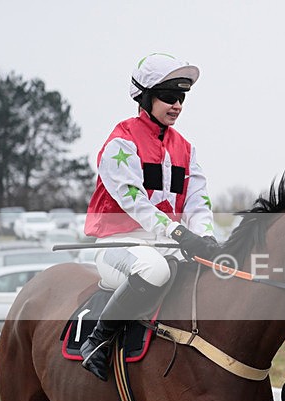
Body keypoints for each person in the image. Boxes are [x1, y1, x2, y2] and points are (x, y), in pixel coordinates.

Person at [81, 53, 222, 381]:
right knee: (154, 269)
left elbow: (198, 201)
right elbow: (137, 205)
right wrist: (179, 234)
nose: (177, 105)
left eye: (182, 98)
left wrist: (205, 235)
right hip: (120, 245)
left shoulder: (186, 148)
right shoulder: (121, 143)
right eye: (169, 97)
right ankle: (97, 341)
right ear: (144, 97)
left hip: (169, 244)